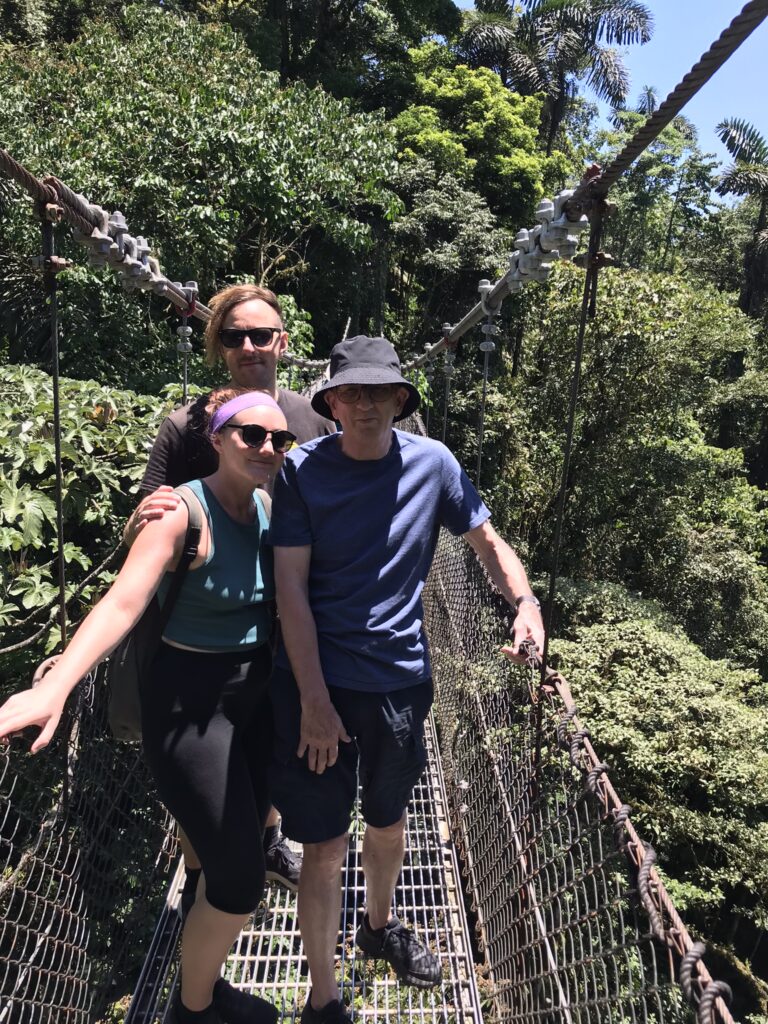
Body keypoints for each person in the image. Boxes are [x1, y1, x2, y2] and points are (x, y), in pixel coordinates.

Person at [269, 336, 546, 1024]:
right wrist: (312, 702)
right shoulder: (301, 471)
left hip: (398, 684)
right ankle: (323, 998)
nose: (364, 405)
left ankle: (377, 926)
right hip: (317, 685)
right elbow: (292, 591)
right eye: (350, 392)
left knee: (388, 821)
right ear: (330, 402)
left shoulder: (435, 464)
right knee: (325, 842)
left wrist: (527, 605)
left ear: (400, 399)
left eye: (378, 392)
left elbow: (487, 542)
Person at [0, 389, 295, 1024]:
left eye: (280, 439)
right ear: (216, 439)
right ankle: (191, 1012)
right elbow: (122, 601)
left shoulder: (273, 510)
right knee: (240, 881)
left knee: (230, 857)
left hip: (255, 703)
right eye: (250, 435)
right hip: (190, 708)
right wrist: (57, 685)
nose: (267, 448)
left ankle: (207, 987)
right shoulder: (180, 513)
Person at [126, 284, 335, 904]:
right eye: (234, 336)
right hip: (207, 633)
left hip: (293, 623)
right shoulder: (187, 426)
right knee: (215, 772)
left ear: (283, 343)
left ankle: (265, 841)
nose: (249, 347)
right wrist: (148, 517)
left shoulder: (315, 420)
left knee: (265, 751)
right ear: (218, 346)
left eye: (261, 335)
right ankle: (206, 878)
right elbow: (148, 510)